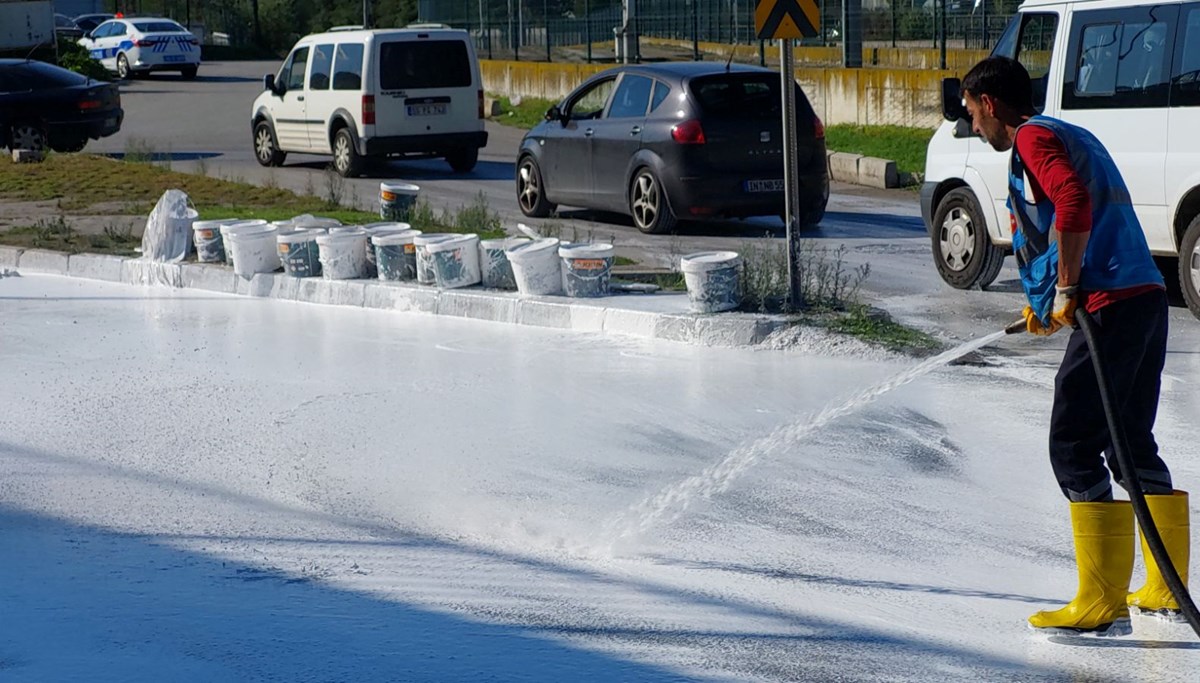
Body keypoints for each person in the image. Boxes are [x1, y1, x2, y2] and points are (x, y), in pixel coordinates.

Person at [959, 56, 1189, 633]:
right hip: (1143, 297)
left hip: (1110, 304)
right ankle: (1164, 587)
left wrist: (1066, 287)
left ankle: (1099, 601)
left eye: (970, 112)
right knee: (1130, 440)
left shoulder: (1033, 138)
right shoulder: (1068, 130)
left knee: (1072, 442)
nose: (971, 126)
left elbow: (1072, 202)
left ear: (989, 103)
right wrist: (1048, 301)